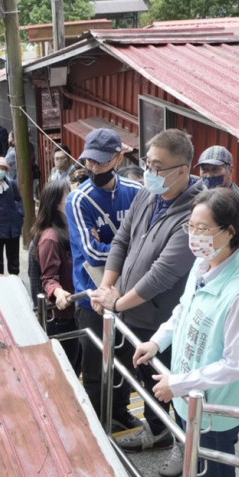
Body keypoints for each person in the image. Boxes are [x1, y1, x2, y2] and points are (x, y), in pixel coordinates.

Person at [133, 188, 239, 477]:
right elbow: (183, 311)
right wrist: (157, 341)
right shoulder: (203, 264)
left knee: (216, 472)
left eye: (203, 229)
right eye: (191, 226)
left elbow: (235, 365)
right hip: (189, 396)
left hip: (214, 407)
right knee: (197, 464)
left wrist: (178, 383)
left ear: (230, 231)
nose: (194, 236)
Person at [92, 129, 203, 477]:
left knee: (177, 387)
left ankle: (189, 451)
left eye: (157, 166)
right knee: (146, 379)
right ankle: (157, 432)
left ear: (183, 170)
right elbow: (122, 238)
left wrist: (117, 302)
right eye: (147, 164)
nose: (149, 172)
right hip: (133, 314)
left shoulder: (196, 213)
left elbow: (163, 274)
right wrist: (107, 288)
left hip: (166, 322)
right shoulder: (148, 194)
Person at [66, 127, 143, 432]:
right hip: (92, 294)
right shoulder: (78, 199)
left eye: (100, 162)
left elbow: (146, 244)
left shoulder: (136, 193)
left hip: (126, 292)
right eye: (90, 162)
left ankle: (121, 411)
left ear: (118, 157)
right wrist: (128, 248)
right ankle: (97, 421)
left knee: (124, 357)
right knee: (95, 363)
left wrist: (111, 245)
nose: (94, 168)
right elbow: (90, 254)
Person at [31, 179, 81, 369]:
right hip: (62, 316)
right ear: (55, 204)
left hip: (75, 311)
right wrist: (58, 292)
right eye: (68, 197)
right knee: (69, 367)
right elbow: (49, 278)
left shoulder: (71, 228)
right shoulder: (50, 238)